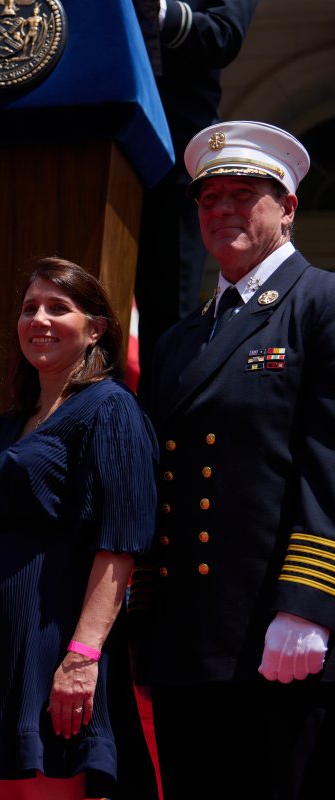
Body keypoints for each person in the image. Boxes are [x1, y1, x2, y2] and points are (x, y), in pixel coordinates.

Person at [134, 120, 335, 799]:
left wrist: (308, 603)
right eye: (208, 198)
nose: (221, 211)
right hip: (189, 639)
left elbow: (327, 460)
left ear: (288, 207)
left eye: (243, 195)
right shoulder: (182, 339)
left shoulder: (321, 304)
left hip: (280, 633)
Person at [0, 258, 157, 799]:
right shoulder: (11, 419)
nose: (39, 320)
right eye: (30, 309)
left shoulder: (110, 409)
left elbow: (119, 548)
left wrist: (83, 657)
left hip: (59, 644)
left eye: (59, 308)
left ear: (95, 328)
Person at [133, 0, 258, 395]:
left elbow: (223, 33)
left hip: (172, 159)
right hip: (96, 150)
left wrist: (153, 11)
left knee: (166, 321)